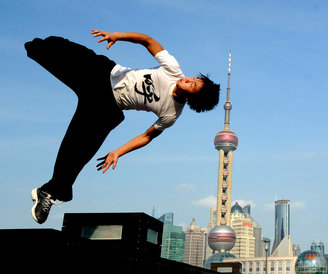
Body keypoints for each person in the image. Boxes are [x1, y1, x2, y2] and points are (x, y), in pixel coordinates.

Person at [25, 30, 220, 224]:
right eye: (194, 79)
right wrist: (117, 36)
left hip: (106, 106)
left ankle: (51, 191)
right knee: (50, 47)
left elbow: (147, 136)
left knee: (79, 148)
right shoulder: (173, 69)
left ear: (189, 98)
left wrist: (118, 152)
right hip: (103, 74)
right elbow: (148, 40)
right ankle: (39, 45)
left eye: (192, 85)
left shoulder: (171, 113)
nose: (188, 79)